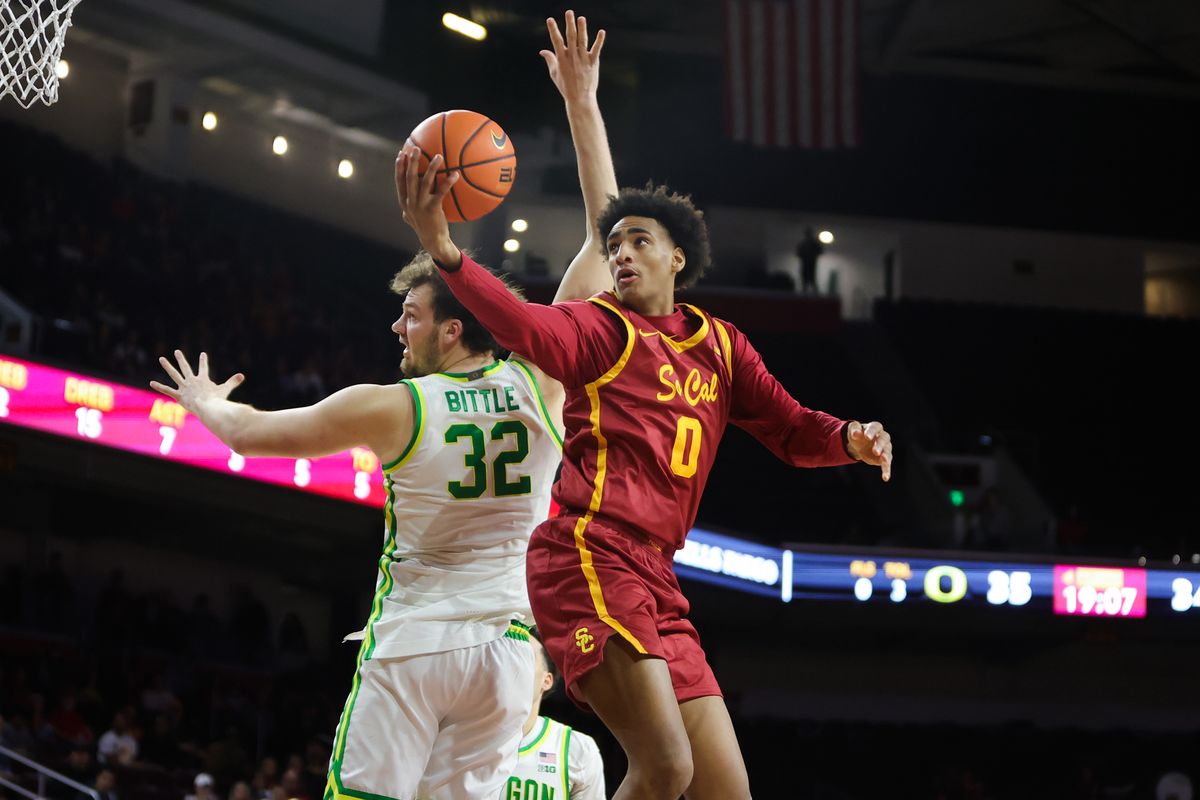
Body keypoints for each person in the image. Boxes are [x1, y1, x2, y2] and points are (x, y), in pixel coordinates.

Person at [395, 22, 892, 800]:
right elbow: (524, 324)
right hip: (587, 555)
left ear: (678, 258)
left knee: (726, 791)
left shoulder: (721, 348)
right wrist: (449, 253)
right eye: (613, 243)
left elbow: (794, 430)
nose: (619, 253)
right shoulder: (599, 328)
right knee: (665, 769)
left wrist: (851, 440)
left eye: (637, 241)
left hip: (659, 575)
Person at [153, 12, 617, 796]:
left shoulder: (395, 406)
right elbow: (606, 239)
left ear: (456, 325)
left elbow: (252, 438)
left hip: (415, 644)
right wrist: (581, 101)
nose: (398, 325)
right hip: (508, 657)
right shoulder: (542, 381)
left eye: (413, 315)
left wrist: (204, 401)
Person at [503, 630, 605, 800]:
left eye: (525, 657)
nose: (513, 666)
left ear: (547, 680)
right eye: (507, 658)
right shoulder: (462, 736)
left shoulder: (577, 749)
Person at [796, 226, 823, 293]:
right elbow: (798, 253)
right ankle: (804, 293)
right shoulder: (803, 244)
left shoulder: (814, 244)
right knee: (804, 280)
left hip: (811, 263)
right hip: (805, 263)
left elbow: (820, 251)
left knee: (812, 279)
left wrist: (812, 255)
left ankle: (815, 294)